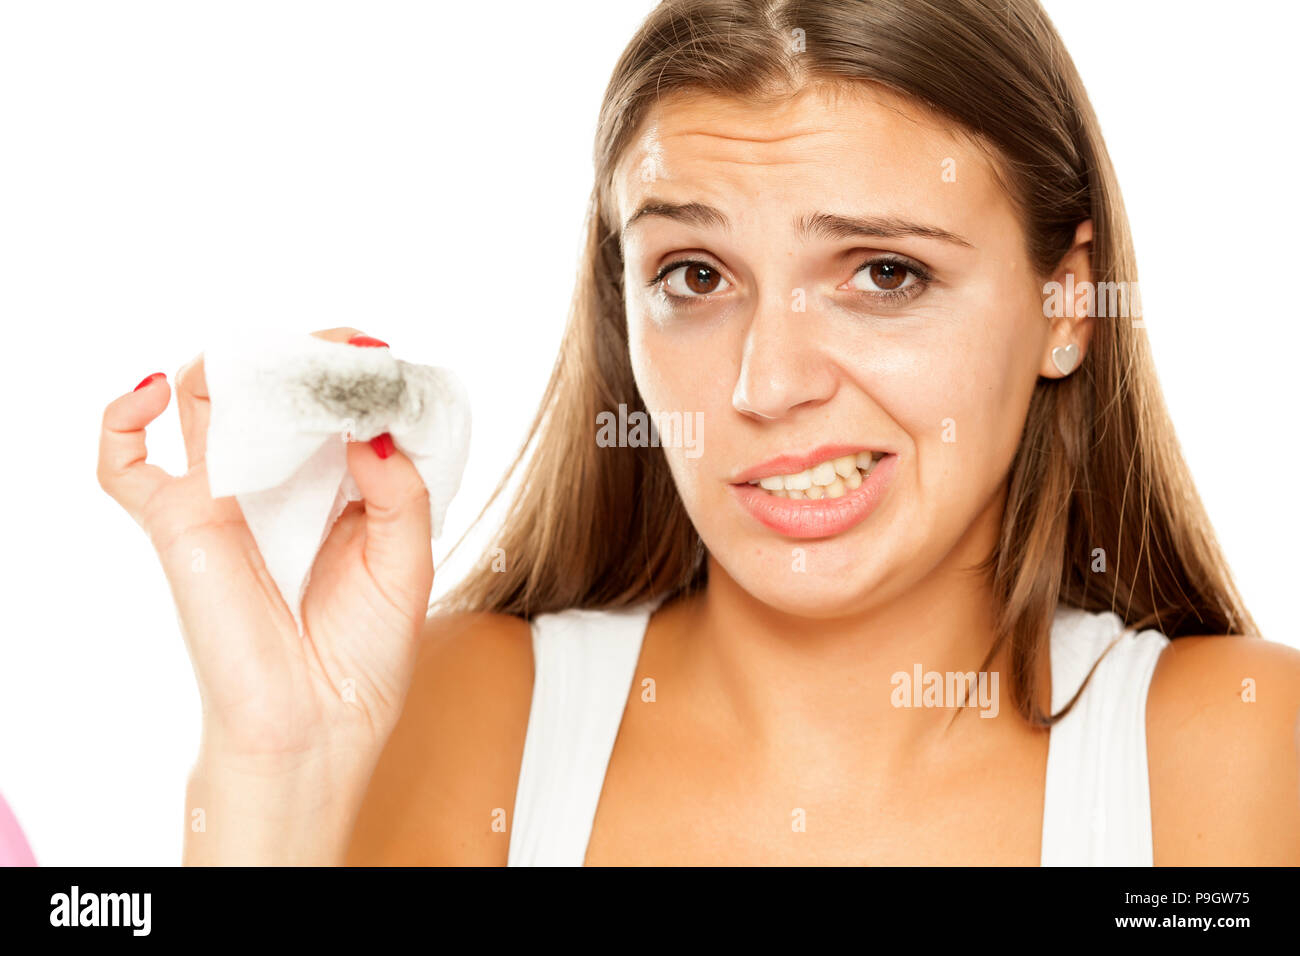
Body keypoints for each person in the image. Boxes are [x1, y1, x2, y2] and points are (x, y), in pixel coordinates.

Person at [98, 0, 1300, 865]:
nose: (765, 382)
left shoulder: (1240, 754)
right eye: (693, 274)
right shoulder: (469, 716)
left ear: (1064, 306)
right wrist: (276, 771)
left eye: (882, 272)